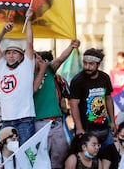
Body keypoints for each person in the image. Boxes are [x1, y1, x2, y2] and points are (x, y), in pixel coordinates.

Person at [0, 8, 35, 145]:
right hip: (6, 120)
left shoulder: (27, 66)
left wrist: (29, 22)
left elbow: (29, 43)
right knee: (8, 156)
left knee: (25, 157)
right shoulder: (2, 66)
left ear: (22, 56)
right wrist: (3, 31)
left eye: (15, 53)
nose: (10, 55)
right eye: (8, 53)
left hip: (25, 120)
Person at [33, 40, 81, 169]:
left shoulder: (50, 70)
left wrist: (71, 46)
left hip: (57, 122)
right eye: (36, 58)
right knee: (41, 160)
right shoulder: (27, 76)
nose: (40, 60)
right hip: (39, 124)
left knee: (60, 156)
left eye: (39, 57)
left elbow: (60, 59)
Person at [69, 48, 116, 151]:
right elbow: (73, 105)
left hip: (104, 128)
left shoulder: (105, 78)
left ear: (98, 64)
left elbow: (108, 99)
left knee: (110, 157)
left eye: (91, 64)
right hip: (86, 130)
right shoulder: (78, 80)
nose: (87, 67)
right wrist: (79, 128)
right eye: (85, 63)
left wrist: (112, 121)